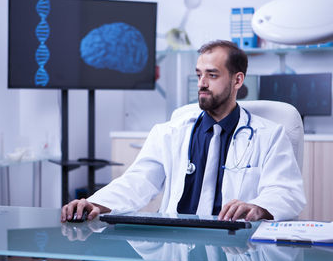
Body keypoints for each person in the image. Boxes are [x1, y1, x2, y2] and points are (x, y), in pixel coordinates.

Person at [61, 40, 306, 223]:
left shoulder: (270, 135)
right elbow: (138, 181)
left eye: (212, 75)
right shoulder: (169, 133)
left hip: (235, 246)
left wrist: (258, 207)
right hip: (176, 241)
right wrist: (94, 203)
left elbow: (286, 191)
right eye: (199, 74)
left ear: (238, 80)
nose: (202, 83)